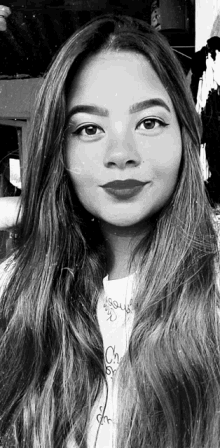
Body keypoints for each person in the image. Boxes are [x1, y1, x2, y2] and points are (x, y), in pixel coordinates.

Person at [0, 13, 219, 448]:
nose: (121, 153)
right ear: (56, 149)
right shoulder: (15, 288)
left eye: (150, 122)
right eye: (89, 129)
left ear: (185, 134)